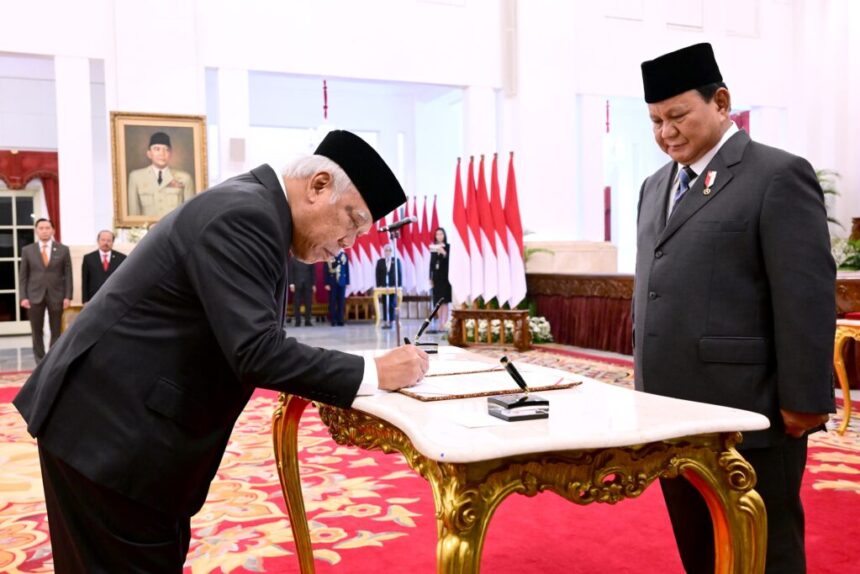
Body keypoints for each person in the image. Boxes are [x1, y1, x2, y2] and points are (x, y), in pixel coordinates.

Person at [13, 130, 429, 573]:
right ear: (319, 186)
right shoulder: (246, 215)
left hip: (127, 436)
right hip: (109, 437)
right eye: (352, 221)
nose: (350, 244)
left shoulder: (257, 210)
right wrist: (374, 371)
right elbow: (256, 351)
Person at [634, 43, 835, 574]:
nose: (666, 132)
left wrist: (806, 400)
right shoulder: (654, 187)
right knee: (699, 547)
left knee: (763, 549)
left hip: (750, 411)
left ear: (721, 102)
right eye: (655, 120)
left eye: (678, 115)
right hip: (668, 411)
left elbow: (806, 295)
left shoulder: (776, 174)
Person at [18, 218, 72, 363]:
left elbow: (68, 275)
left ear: (53, 230)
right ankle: (40, 361)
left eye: (47, 228)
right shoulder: (27, 250)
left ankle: (53, 360)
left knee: (56, 330)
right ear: (36, 231)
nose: (44, 231)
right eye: (41, 228)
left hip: (57, 295)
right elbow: (23, 276)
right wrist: (23, 297)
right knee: (36, 330)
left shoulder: (63, 249)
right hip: (34, 295)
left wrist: (68, 296)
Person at [128, 131, 195, 218]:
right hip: (147, 230)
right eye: (157, 149)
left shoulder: (185, 178)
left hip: (174, 230)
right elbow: (133, 214)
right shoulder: (136, 177)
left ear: (170, 154)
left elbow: (189, 213)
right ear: (149, 153)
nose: (162, 154)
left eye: (166, 150)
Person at [81, 230, 127, 303]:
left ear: (113, 242)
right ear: (98, 241)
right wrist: (85, 301)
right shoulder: (88, 258)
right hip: (94, 299)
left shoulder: (122, 258)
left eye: (109, 240)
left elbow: (124, 281)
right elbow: (85, 282)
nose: (106, 243)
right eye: (103, 240)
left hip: (115, 299)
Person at [428, 227, 451, 331]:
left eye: (441, 234)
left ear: (444, 235)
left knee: (444, 301)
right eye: (437, 234)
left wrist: (444, 253)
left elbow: (450, 261)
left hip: (445, 277)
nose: (439, 236)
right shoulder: (433, 248)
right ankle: (439, 323)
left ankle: (444, 323)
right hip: (436, 278)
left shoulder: (448, 247)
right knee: (437, 301)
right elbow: (431, 264)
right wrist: (430, 277)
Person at [375, 244, 402, 329]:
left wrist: (399, 286)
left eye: (389, 250)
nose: (388, 252)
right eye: (386, 250)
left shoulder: (396, 260)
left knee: (392, 303)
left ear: (392, 252)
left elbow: (399, 274)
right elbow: (377, 275)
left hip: (393, 286)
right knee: (385, 303)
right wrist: (379, 286)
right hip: (383, 286)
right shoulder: (380, 261)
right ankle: (385, 320)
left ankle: (392, 320)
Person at [324, 249, 349, 326]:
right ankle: (333, 320)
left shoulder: (344, 255)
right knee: (332, 301)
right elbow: (326, 269)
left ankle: (340, 319)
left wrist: (347, 281)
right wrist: (327, 283)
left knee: (341, 302)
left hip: (342, 281)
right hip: (332, 282)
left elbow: (346, 269)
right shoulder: (330, 254)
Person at [289, 259, 316, 326]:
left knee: (308, 303)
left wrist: (314, 284)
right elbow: (290, 272)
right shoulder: (293, 260)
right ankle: (297, 321)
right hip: (297, 285)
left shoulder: (309, 259)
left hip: (308, 284)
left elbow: (313, 272)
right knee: (297, 304)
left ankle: (308, 321)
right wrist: (291, 284)